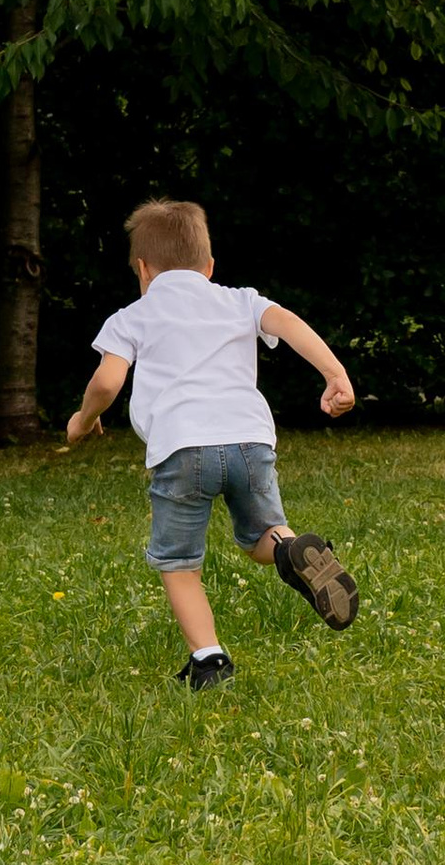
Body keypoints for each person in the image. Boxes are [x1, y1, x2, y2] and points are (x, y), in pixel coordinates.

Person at [66, 198, 361, 687]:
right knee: (262, 537)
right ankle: (292, 551)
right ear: (208, 267)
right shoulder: (240, 299)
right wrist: (335, 374)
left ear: (142, 269)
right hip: (250, 443)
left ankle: (208, 660)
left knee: (179, 562)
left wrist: (82, 419)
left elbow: (107, 383)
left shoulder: (132, 317)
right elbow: (287, 322)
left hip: (182, 450)